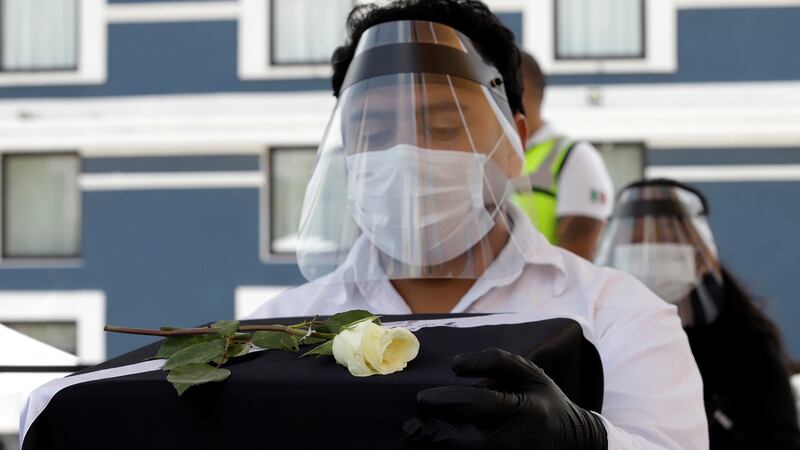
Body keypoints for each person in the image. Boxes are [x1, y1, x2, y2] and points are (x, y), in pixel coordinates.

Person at [249, 1, 708, 448]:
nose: (406, 153)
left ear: (515, 143)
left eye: (445, 127)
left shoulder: (617, 316)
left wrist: (586, 440)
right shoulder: (272, 332)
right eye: (375, 132)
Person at [596, 178, 800, 449]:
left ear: (700, 257)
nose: (648, 251)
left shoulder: (747, 343)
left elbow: (780, 440)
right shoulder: (599, 337)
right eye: (637, 239)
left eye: (665, 237)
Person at [511, 52, 614, 260]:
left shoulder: (574, 158)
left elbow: (577, 261)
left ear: (521, 91)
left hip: (540, 292)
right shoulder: (483, 155)